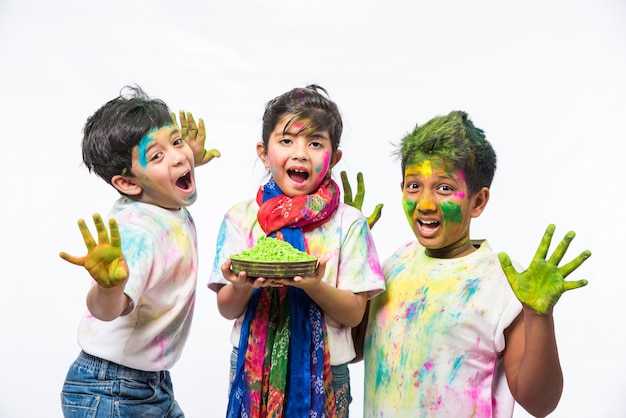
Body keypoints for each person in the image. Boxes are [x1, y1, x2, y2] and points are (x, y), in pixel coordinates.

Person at [358, 110, 591, 417]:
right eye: (414, 185)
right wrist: (347, 253)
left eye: (444, 188)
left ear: (477, 201)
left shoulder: (502, 284)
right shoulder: (394, 264)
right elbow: (352, 348)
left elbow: (540, 403)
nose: (425, 203)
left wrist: (538, 315)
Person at [208, 85, 386, 418]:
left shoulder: (349, 223)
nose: (301, 153)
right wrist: (243, 284)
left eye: (315, 142)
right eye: (287, 140)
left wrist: (313, 284)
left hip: (329, 374)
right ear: (264, 152)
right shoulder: (241, 218)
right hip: (252, 368)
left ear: (334, 157)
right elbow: (227, 309)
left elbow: (354, 315)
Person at [58, 85, 220, 417]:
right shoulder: (137, 233)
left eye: (176, 142)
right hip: (112, 389)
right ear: (129, 184)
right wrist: (110, 286)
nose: (177, 156)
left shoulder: (160, 199)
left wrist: (189, 161)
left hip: (146, 383)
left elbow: (164, 176)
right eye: (157, 155)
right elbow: (107, 309)